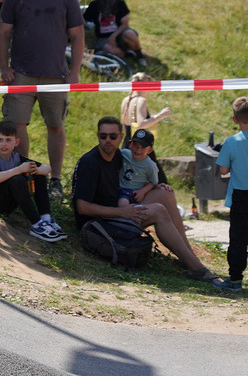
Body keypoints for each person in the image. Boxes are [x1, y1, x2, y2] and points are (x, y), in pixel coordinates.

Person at [72, 116, 218, 282]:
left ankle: (189, 257)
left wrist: (153, 186)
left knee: (165, 193)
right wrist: (122, 212)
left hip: (119, 211)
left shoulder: (119, 156)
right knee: (158, 210)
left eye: (113, 137)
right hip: (99, 225)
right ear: (97, 136)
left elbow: (138, 174)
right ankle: (198, 269)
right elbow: (82, 208)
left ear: (121, 137)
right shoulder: (90, 163)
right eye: (103, 136)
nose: (107, 140)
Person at [0, 0, 85, 200]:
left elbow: (78, 36)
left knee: (55, 126)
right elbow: (2, 33)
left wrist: (75, 71)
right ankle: (23, 174)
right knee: (16, 125)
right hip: (21, 74)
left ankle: (55, 179)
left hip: (56, 75)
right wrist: (4, 67)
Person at [0, 120, 65, 242]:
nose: (3, 144)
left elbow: (47, 168)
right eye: (0, 140)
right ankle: (36, 223)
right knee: (16, 179)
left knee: (37, 173)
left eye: (8, 140)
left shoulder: (16, 157)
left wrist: (35, 170)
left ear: (16, 142)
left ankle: (45, 217)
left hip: (7, 203)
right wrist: (18, 170)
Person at [213, 96, 248, 291]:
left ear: (235, 119)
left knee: (238, 239)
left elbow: (223, 171)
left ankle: (234, 280)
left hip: (241, 197)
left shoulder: (231, 142)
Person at [83, 0, 146, 66]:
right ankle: (127, 54)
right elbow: (83, 20)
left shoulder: (120, 4)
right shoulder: (94, 5)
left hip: (120, 34)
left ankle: (139, 55)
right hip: (103, 38)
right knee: (107, 49)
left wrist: (113, 36)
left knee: (130, 34)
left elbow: (125, 24)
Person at [118, 128, 159, 207]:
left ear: (149, 150)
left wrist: (142, 191)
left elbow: (153, 182)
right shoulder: (124, 153)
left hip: (132, 191)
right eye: (135, 146)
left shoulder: (150, 165)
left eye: (143, 148)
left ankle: (126, 215)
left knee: (123, 202)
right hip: (117, 186)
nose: (138, 150)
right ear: (130, 144)